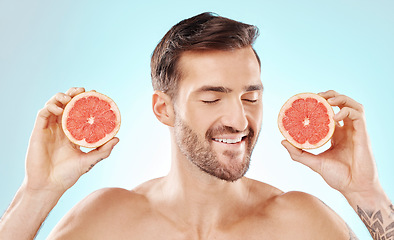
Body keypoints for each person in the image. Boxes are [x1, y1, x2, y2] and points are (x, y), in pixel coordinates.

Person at [0, 12, 392, 240]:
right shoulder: (109, 221)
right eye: (211, 98)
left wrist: (367, 194)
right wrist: (38, 193)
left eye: (250, 97)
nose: (239, 120)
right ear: (163, 109)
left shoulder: (300, 224)